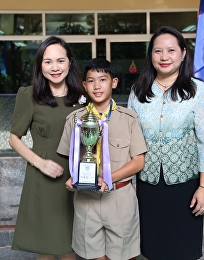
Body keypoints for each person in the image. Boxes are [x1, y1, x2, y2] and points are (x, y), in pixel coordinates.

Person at [127, 26, 204, 260]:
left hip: (186, 186)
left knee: (184, 249)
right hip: (147, 186)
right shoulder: (138, 92)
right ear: (151, 55)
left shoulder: (197, 90)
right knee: (152, 249)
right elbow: (130, 141)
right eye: (158, 51)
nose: (164, 57)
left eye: (171, 50)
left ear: (183, 53)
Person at [57, 58, 147, 260]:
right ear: (84, 85)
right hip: (86, 200)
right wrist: (73, 178)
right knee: (95, 256)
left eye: (103, 79)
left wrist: (108, 178)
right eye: (91, 81)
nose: (97, 86)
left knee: (124, 256)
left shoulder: (129, 119)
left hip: (119, 198)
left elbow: (138, 162)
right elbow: (68, 158)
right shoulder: (74, 120)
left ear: (114, 82)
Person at [9, 36, 87, 260]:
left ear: (70, 62)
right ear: (40, 65)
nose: (55, 67)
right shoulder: (29, 95)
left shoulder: (83, 96)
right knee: (47, 244)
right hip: (44, 175)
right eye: (48, 61)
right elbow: (14, 138)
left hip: (77, 176)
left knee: (69, 245)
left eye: (60, 61)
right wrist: (40, 163)